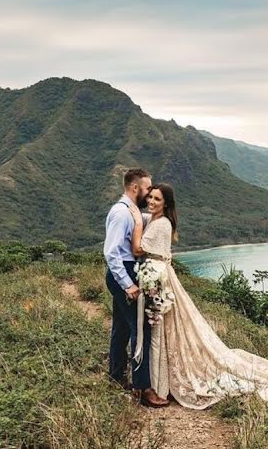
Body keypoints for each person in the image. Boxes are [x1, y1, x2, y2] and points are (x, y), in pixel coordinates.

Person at [126, 183, 268, 409]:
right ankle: (155, 380)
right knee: (162, 331)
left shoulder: (161, 223)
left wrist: (135, 220)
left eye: (157, 200)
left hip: (158, 278)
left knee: (162, 331)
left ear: (166, 204)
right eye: (150, 198)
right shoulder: (153, 219)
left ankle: (159, 382)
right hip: (159, 276)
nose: (151, 202)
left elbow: (137, 249)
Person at [104, 168, 169, 408]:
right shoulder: (122, 214)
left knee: (121, 328)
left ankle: (116, 375)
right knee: (141, 330)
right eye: (147, 188)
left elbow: (148, 221)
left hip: (126, 274)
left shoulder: (131, 212)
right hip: (125, 274)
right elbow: (111, 254)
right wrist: (128, 283)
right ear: (135, 188)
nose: (149, 192)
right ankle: (143, 389)